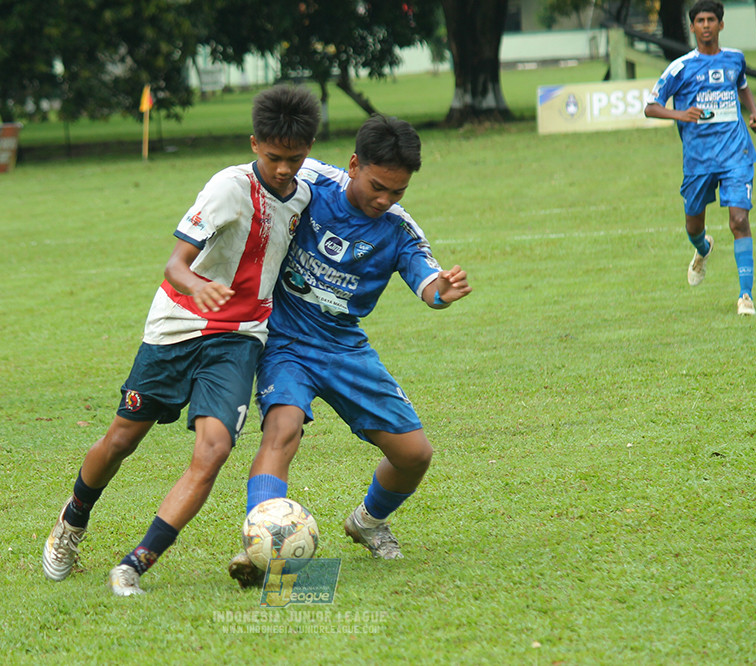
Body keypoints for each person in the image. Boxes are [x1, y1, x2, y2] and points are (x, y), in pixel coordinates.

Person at [41, 85, 320, 596]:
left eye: (296, 158)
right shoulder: (226, 188)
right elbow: (174, 264)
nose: (285, 169)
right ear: (255, 143)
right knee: (122, 439)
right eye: (275, 157)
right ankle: (72, 523)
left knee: (212, 451)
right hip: (177, 325)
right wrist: (200, 286)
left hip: (239, 337)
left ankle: (134, 565)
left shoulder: (302, 195)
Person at [227, 115, 472, 587]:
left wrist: (442, 290)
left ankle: (368, 522)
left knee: (414, 455)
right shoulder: (310, 180)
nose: (384, 200)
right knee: (283, 429)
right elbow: (254, 178)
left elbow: (428, 285)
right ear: (354, 164)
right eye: (377, 186)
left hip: (343, 346)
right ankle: (259, 543)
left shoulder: (399, 229)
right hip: (286, 341)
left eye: (396, 192)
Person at [645, 0, 756, 316]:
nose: (707, 25)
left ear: (721, 25)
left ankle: (745, 296)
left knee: (739, 220)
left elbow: (742, 85)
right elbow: (651, 106)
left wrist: (753, 113)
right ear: (693, 26)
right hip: (698, 159)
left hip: (736, 152)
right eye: (700, 20)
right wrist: (680, 114)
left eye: (712, 19)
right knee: (693, 223)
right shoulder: (680, 67)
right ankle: (703, 249)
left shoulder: (735, 59)